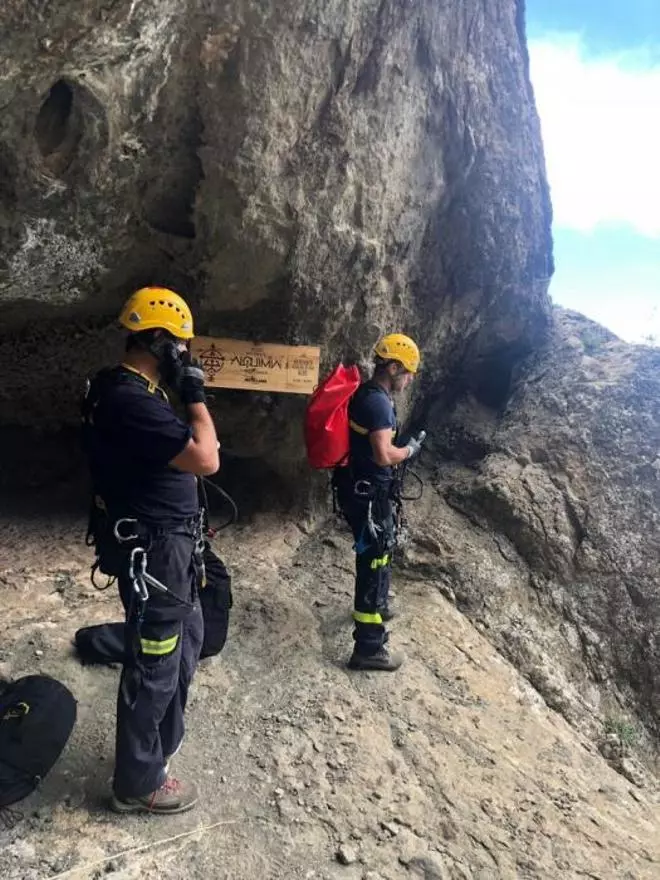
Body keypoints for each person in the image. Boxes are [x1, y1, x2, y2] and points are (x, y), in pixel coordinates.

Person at [81, 287, 219, 814]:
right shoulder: (129, 399)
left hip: (169, 544)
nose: (185, 356)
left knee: (189, 638)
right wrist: (197, 395)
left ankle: (158, 748)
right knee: (157, 658)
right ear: (159, 340)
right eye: (180, 347)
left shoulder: (130, 390)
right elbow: (207, 458)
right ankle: (137, 783)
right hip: (156, 551)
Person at [333, 333, 425, 672]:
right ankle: (369, 647)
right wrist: (410, 450)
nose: (410, 379)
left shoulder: (372, 396)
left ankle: (380, 605)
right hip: (368, 494)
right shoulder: (378, 404)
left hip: (364, 491)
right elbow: (384, 455)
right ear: (393, 367)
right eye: (408, 372)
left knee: (379, 552)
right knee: (372, 561)